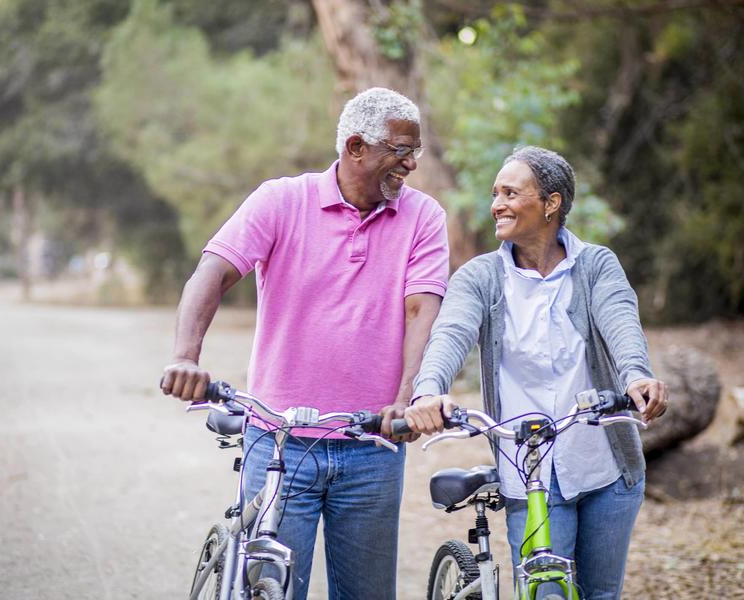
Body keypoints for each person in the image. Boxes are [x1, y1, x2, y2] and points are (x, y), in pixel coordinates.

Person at [160, 87, 449, 600]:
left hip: (372, 446)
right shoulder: (280, 200)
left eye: (415, 152)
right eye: (400, 151)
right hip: (278, 442)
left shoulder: (423, 217)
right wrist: (186, 357)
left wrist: (407, 396)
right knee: (271, 588)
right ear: (356, 146)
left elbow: (420, 308)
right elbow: (213, 273)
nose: (410, 165)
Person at [404, 146, 668, 599]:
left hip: (606, 467)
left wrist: (636, 378)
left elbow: (621, 325)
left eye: (511, 192)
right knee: (547, 593)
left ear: (551, 203)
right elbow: (450, 334)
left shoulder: (596, 266)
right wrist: (429, 391)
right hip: (529, 476)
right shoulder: (480, 277)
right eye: (495, 194)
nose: (496, 204)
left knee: (600, 595)